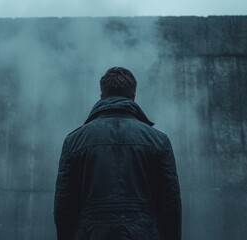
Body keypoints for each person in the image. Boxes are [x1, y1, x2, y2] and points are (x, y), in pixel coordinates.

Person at [54, 67, 181, 240]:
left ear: (102, 95)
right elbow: (170, 206)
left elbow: (64, 207)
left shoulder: (74, 141)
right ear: (134, 96)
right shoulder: (158, 141)